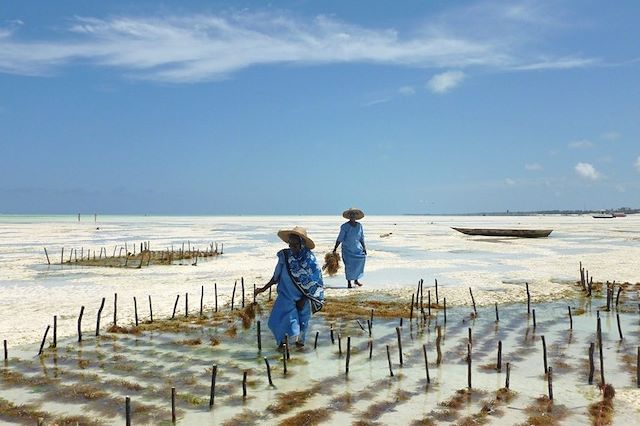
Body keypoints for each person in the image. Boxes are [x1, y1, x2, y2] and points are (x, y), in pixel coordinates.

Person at [255, 226, 324, 348]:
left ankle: (299, 346)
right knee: (277, 321)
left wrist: (304, 298)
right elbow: (276, 276)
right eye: (290, 244)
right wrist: (263, 289)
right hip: (286, 295)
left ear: (302, 244)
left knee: (303, 323)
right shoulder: (285, 256)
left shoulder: (309, 259)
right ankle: (282, 343)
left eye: (295, 245)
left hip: (304, 297)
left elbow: (315, 280)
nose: (292, 248)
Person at [333, 208, 367, 288]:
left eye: (354, 214)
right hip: (347, 250)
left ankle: (356, 280)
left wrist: (364, 248)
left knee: (358, 264)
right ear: (349, 216)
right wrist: (335, 248)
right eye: (351, 214)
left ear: (356, 216)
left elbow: (361, 238)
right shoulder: (345, 226)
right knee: (348, 266)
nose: (353, 215)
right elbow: (340, 238)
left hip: (358, 249)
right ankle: (349, 282)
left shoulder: (359, 226)